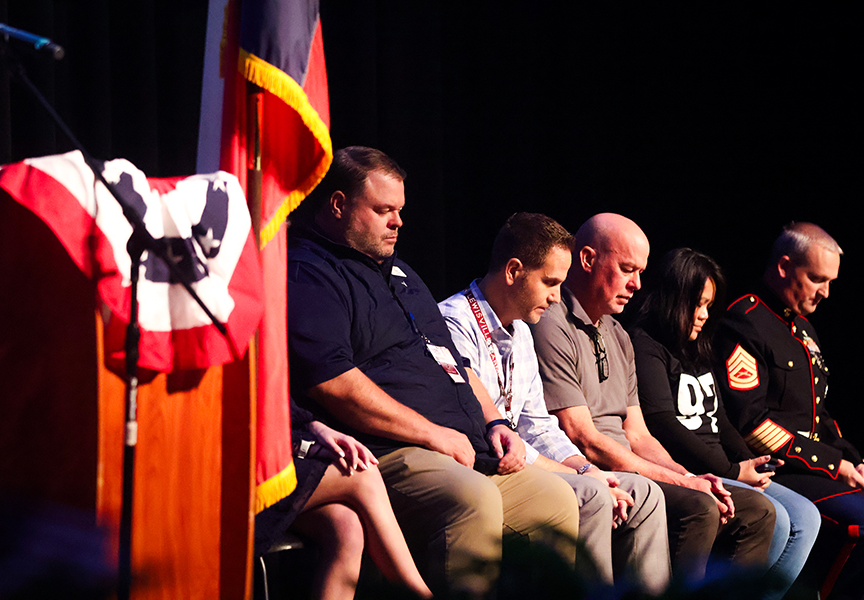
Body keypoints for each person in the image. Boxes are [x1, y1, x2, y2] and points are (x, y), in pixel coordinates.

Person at [286, 147, 580, 596]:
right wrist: (431, 433)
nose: (397, 222)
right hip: (387, 451)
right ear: (338, 204)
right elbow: (332, 382)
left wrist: (495, 421)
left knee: (554, 499)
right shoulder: (310, 270)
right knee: (471, 497)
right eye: (383, 210)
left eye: (400, 210)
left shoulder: (402, 272)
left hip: (463, 447)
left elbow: (456, 364)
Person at [530, 212, 776, 584]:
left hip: (630, 463)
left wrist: (688, 475)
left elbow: (640, 434)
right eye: (628, 269)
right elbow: (583, 437)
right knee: (698, 507)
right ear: (587, 259)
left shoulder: (617, 333)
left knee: (757, 510)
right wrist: (682, 483)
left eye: (641, 272)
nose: (636, 284)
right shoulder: (552, 322)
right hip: (590, 467)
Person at [438, 212, 671, 594]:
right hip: (484, 465)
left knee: (635, 491)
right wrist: (583, 475)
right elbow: (488, 436)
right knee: (593, 494)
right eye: (550, 282)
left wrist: (582, 466)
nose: (556, 296)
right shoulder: (455, 322)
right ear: (514, 270)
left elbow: (539, 426)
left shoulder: (520, 332)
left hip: (520, 462)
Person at [629, 247, 821, 600]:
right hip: (693, 469)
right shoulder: (646, 345)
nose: (703, 315)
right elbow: (661, 422)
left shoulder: (698, 348)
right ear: (673, 297)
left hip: (728, 467)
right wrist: (732, 470)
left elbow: (721, 419)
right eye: (696, 304)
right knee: (774, 519)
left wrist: (750, 462)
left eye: (708, 306)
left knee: (807, 517)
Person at [714, 222, 864, 598]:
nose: (826, 293)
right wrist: (837, 466)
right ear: (784, 266)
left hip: (815, 467)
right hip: (778, 469)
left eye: (830, 281)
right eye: (817, 278)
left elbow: (819, 414)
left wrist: (856, 461)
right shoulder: (745, 321)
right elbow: (752, 425)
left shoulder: (804, 329)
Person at [255, 401, 432, 600]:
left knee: (346, 525)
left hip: (277, 452)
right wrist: (302, 444)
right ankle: (418, 594)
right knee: (362, 473)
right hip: (231, 476)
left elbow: (276, 399)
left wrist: (315, 427)